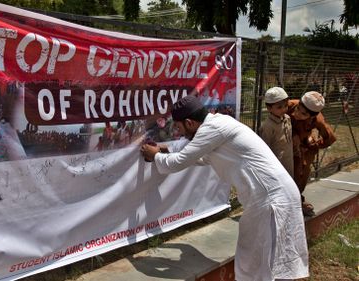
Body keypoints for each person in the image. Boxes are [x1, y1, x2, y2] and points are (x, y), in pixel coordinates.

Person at [140, 95, 308, 281]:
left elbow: (179, 162)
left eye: (179, 128)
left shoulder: (212, 129)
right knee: (264, 260)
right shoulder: (218, 123)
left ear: (189, 122)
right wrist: (165, 151)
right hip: (274, 195)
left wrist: (155, 156)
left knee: (260, 262)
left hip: (271, 199)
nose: (179, 133)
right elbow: (199, 157)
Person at [288, 91, 336, 217]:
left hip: (304, 148)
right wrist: (293, 135)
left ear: (312, 116)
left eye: (303, 114)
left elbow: (330, 138)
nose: (296, 114)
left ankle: (298, 200)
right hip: (285, 145)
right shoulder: (289, 105)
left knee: (302, 172)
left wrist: (312, 145)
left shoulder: (318, 120)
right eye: (298, 108)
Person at [259, 87, 294, 177]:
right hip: (276, 167)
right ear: (269, 108)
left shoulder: (287, 119)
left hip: (289, 162)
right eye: (279, 107)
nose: (284, 109)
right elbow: (264, 149)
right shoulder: (268, 126)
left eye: (286, 105)